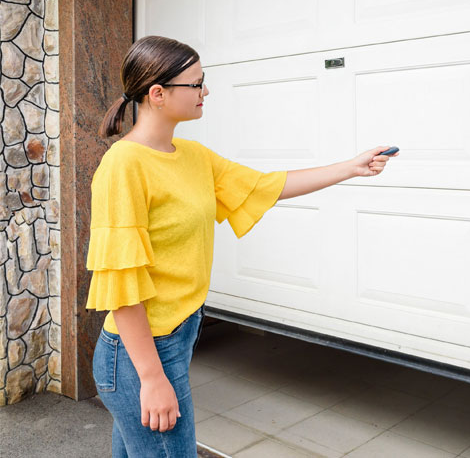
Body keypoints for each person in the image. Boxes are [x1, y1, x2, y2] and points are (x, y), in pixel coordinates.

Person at [85, 35, 398, 457]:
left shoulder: (193, 156)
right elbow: (121, 283)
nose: (205, 92)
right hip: (140, 356)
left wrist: (350, 167)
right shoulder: (123, 166)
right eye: (195, 84)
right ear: (157, 94)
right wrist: (152, 378)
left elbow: (264, 185)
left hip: (174, 339)